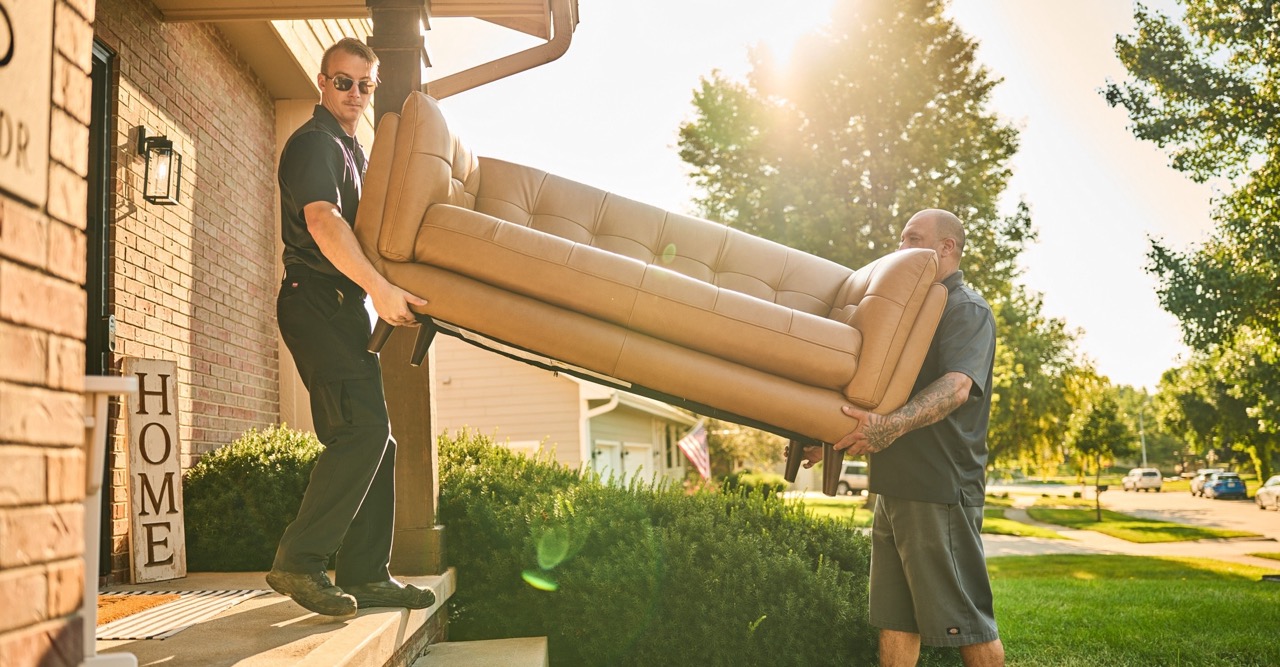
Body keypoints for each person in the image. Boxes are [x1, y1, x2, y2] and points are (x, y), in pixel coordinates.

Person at [267, 37, 435, 617]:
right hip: (314, 302)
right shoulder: (316, 145)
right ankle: (299, 561)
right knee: (358, 433)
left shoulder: (353, 149)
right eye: (344, 82)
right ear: (322, 82)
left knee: (377, 442)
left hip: (341, 310)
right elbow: (323, 221)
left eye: (365, 85)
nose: (355, 94)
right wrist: (379, 289)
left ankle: (366, 575)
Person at [795, 209, 1004, 666]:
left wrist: (891, 428)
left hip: (940, 488)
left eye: (912, 238)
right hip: (895, 486)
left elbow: (957, 387)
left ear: (946, 248)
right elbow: (880, 397)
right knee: (897, 620)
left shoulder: (964, 308)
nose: (901, 248)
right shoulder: (908, 313)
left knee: (967, 622)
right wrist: (830, 438)